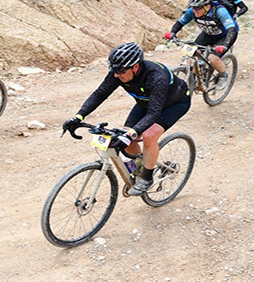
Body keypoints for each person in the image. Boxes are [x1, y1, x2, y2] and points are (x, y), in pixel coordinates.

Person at [62, 42, 191, 196]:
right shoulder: (120, 71)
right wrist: (78, 116)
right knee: (124, 134)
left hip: (174, 104)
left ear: (135, 67)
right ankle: (141, 164)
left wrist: (132, 133)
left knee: (148, 136)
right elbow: (101, 93)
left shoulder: (157, 76)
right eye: (113, 70)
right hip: (146, 103)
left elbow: (153, 114)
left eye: (120, 71)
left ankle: (147, 177)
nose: (116, 75)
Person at [165, 0, 238, 87]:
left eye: (198, 8)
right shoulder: (192, 11)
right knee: (191, 54)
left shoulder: (220, 11)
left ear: (207, 6)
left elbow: (231, 29)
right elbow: (180, 23)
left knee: (213, 58)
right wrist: (173, 33)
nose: (195, 11)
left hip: (225, 36)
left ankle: (223, 76)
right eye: (193, 7)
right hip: (207, 34)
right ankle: (194, 79)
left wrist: (224, 46)